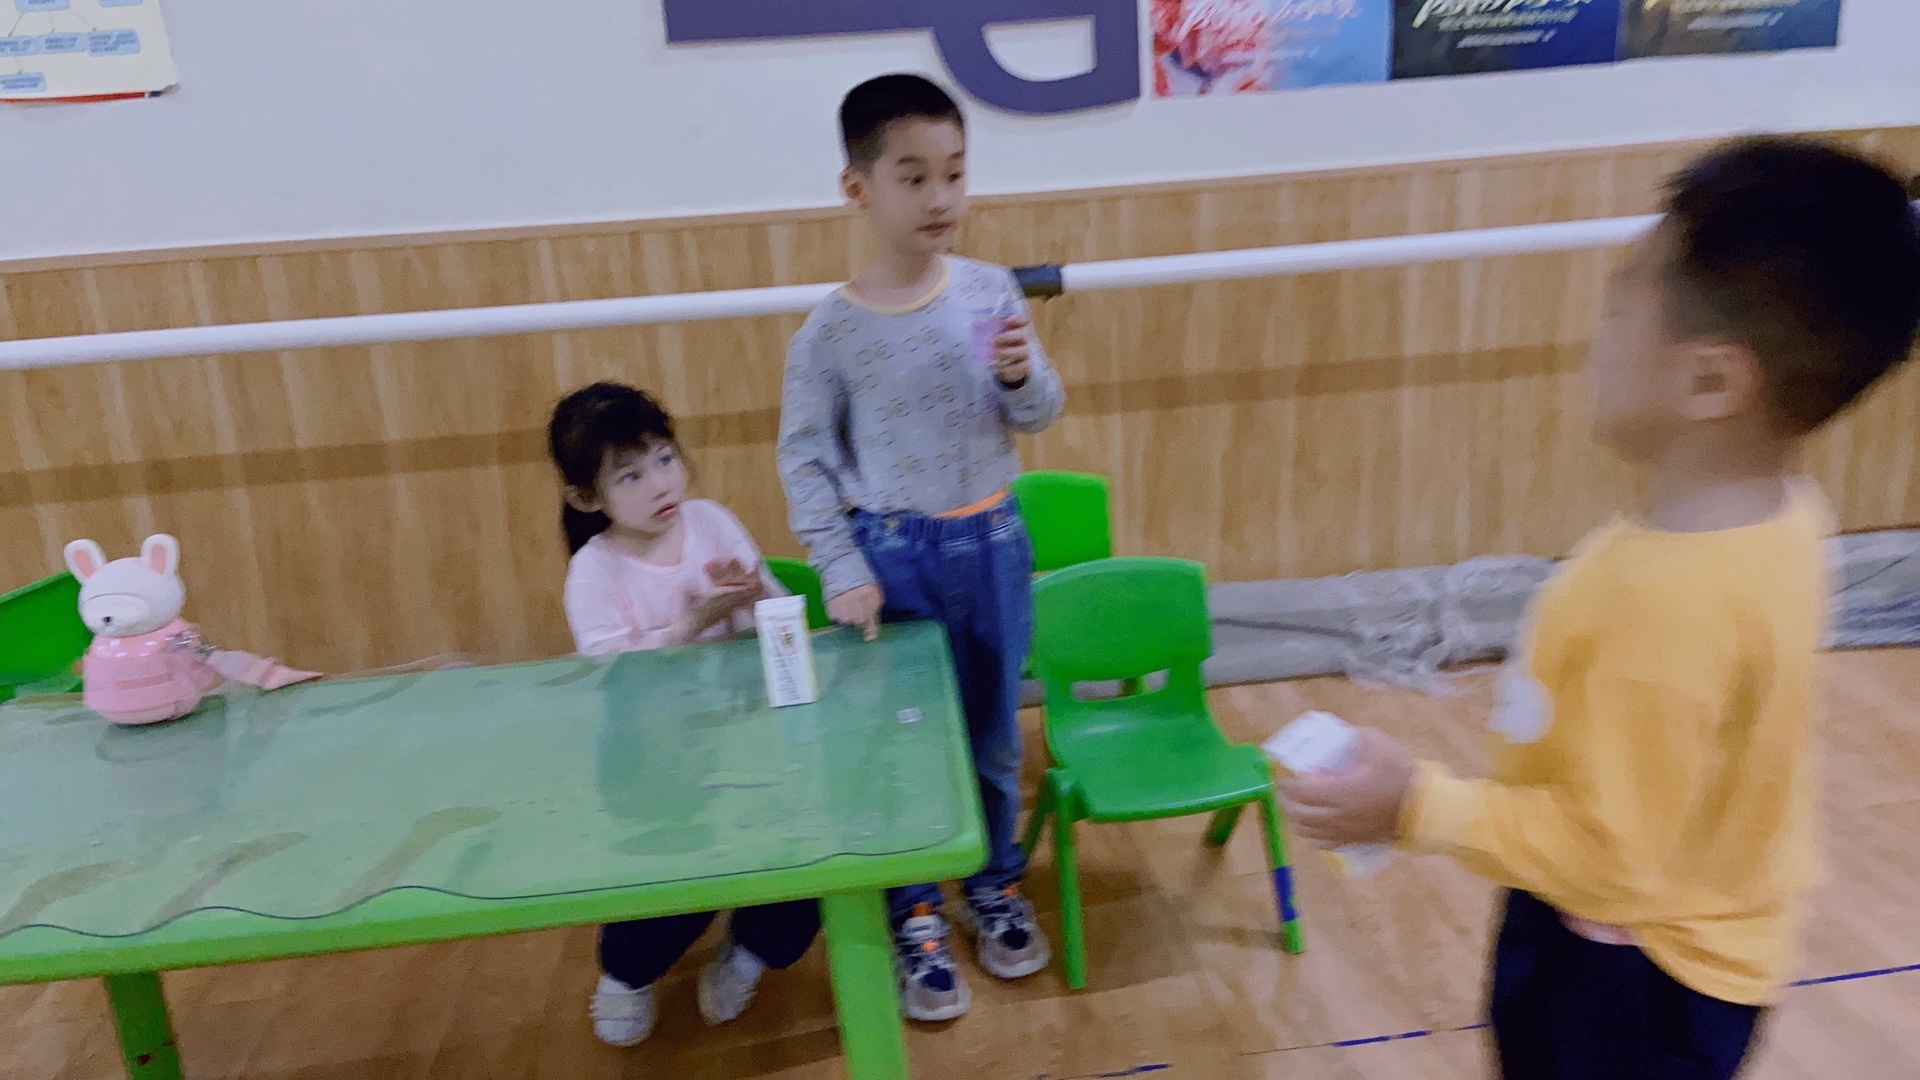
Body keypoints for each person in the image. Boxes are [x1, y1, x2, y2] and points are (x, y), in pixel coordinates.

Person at [1281, 137, 1920, 1080]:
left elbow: (1608, 855)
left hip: (1631, 972)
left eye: (1624, 301)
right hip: (1690, 934)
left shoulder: (1664, 604)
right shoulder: (1785, 514)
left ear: (1710, 380)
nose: (1600, 329)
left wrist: (1413, 804)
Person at [775, 73, 1066, 1022]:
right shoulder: (831, 331)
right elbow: (805, 461)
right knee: (902, 742)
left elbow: (1037, 412)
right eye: (913, 177)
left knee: (992, 735)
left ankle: (991, 883)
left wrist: (1021, 380)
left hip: (992, 541)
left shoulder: (987, 291)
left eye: (955, 173)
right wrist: (842, 566)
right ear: (857, 188)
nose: (941, 197)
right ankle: (914, 912)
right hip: (892, 555)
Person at [548, 381, 821, 1047]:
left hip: (745, 742)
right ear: (586, 498)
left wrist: (752, 597)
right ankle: (627, 976)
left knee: (805, 862)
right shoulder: (594, 570)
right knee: (671, 886)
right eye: (631, 475)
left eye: (665, 459)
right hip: (654, 768)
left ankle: (749, 954)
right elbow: (614, 682)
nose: (660, 484)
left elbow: (783, 633)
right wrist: (688, 625)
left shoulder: (712, 522)